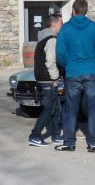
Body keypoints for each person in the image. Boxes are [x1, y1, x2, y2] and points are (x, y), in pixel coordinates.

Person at [55, 0, 95, 153]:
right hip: (89, 72)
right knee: (92, 108)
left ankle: (69, 142)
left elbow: (60, 53)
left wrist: (69, 65)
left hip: (72, 73)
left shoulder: (66, 28)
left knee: (71, 108)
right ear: (86, 11)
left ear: (73, 10)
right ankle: (93, 143)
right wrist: (94, 65)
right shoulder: (93, 27)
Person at [28, 13, 63, 147]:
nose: (62, 26)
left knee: (56, 109)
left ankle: (55, 134)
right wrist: (55, 78)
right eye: (61, 23)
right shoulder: (51, 39)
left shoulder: (43, 38)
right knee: (48, 110)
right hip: (48, 80)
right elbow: (50, 62)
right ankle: (35, 135)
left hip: (44, 78)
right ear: (54, 24)